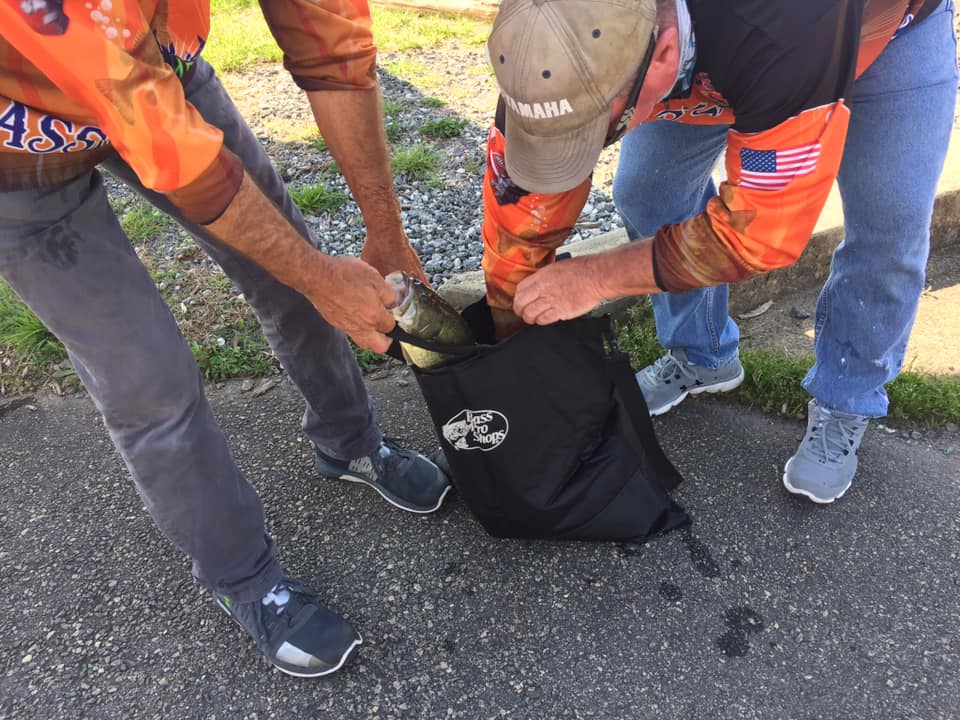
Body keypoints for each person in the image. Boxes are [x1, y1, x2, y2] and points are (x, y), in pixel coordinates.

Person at [0, 0, 451, 677]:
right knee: (147, 381)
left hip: (162, 72)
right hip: (17, 148)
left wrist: (383, 230)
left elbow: (331, 46)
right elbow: (177, 157)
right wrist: (319, 278)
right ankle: (244, 579)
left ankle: (350, 442)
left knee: (293, 272)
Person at [479, 0, 957, 505]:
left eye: (595, 131)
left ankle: (847, 396)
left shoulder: (783, 29)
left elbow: (760, 233)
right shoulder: (548, 39)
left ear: (663, 54)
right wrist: (506, 347)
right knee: (649, 191)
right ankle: (703, 356)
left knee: (890, 222)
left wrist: (593, 278)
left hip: (883, 32)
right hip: (719, 45)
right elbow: (519, 215)